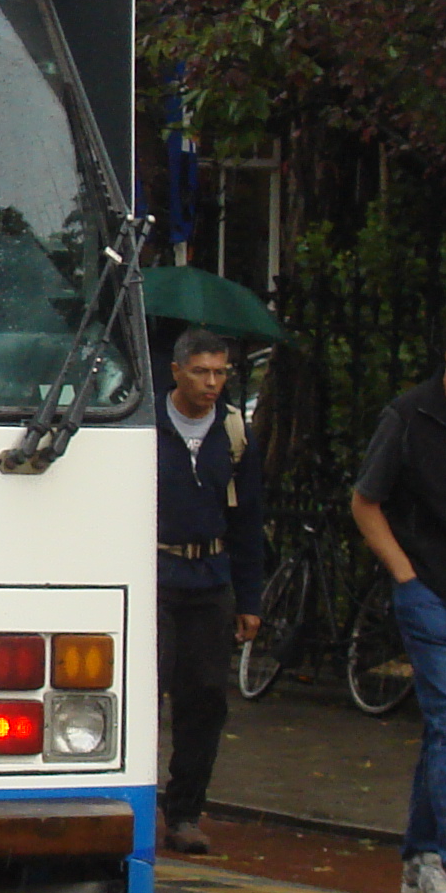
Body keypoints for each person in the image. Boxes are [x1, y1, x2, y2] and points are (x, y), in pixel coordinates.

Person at [352, 306, 446, 893]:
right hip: (430, 594)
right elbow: (365, 501)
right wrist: (406, 577)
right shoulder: (411, 416)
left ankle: (419, 855)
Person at [153, 325, 265, 858]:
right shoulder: (146, 424)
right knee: (147, 690)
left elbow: (247, 519)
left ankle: (186, 812)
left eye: (221, 372)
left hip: (211, 577)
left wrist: (250, 599)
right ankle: (127, 800)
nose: (212, 383)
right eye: (201, 371)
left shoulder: (232, 432)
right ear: (177, 372)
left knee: (204, 699)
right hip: (155, 573)